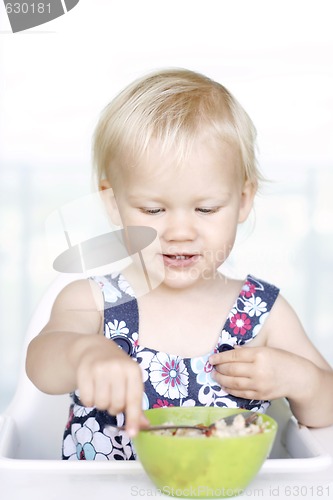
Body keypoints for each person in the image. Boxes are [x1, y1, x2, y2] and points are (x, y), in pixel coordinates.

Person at [26, 68, 333, 461]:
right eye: (153, 209)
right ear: (113, 201)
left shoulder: (264, 314)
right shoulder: (92, 301)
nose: (180, 231)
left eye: (206, 208)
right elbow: (41, 365)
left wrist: (299, 380)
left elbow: (325, 408)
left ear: (243, 200)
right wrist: (83, 354)